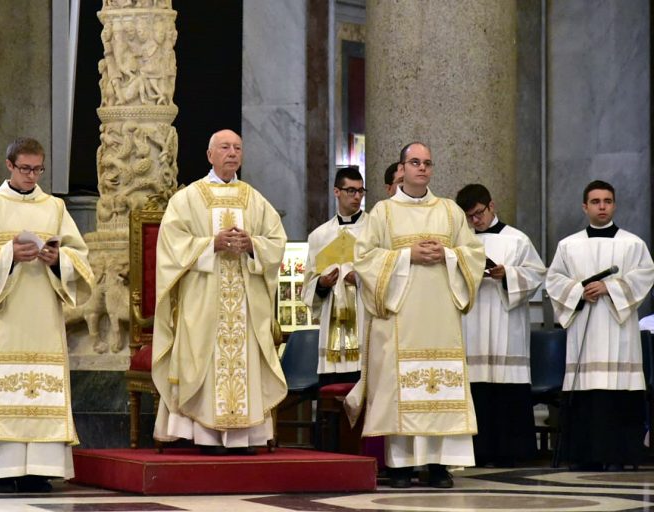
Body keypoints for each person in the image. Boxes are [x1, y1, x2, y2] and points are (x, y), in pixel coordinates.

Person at [0, 138, 95, 493]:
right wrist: (8, 255)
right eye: (25, 169)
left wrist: (58, 260)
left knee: (43, 390)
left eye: (38, 169)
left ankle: (40, 470)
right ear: (9, 165)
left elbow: (80, 256)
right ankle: (4, 470)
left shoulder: (55, 208)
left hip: (44, 317)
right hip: (2, 316)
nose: (32, 176)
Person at [346, 142, 485, 489]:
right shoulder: (383, 212)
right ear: (402, 169)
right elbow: (364, 258)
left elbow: (474, 254)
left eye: (427, 163)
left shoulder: (450, 211)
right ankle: (401, 466)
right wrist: (407, 255)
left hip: (441, 319)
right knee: (401, 390)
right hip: (400, 319)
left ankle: (439, 466)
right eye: (415, 162)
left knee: (440, 391)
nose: (422, 168)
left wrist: (448, 255)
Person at [151, 129, 288, 454]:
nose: (232, 153)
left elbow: (276, 241)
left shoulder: (254, 199)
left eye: (237, 147)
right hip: (203, 299)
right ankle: (206, 435)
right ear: (210, 155)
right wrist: (210, 244)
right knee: (204, 358)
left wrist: (252, 245)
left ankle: (245, 436)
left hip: (245, 303)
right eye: (225, 147)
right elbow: (170, 245)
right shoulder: (188, 198)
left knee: (244, 361)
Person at [546, 180, 654, 470]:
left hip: (619, 331)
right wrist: (578, 291)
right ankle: (584, 457)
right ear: (585, 207)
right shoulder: (569, 245)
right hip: (585, 327)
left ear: (614, 205)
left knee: (618, 390)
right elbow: (553, 280)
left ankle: (619, 456)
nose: (602, 207)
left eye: (607, 201)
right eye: (595, 202)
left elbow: (645, 276)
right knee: (587, 391)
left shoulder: (633, 244)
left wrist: (610, 288)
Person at [455, 183, 546, 467]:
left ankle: (512, 452)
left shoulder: (517, 239)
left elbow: (536, 274)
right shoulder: (462, 244)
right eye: (469, 216)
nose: (475, 220)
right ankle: (477, 452)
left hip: (507, 323)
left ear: (491, 206)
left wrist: (508, 274)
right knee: (477, 387)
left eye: (478, 213)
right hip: (473, 322)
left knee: (507, 388)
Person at [301, 166, 368, 385]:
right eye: (351, 191)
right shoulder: (319, 236)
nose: (357, 196)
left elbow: (385, 275)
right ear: (336, 192)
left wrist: (359, 278)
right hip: (332, 323)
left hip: (364, 318)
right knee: (331, 394)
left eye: (360, 191)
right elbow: (308, 287)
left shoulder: (373, 231)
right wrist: (321, 283)